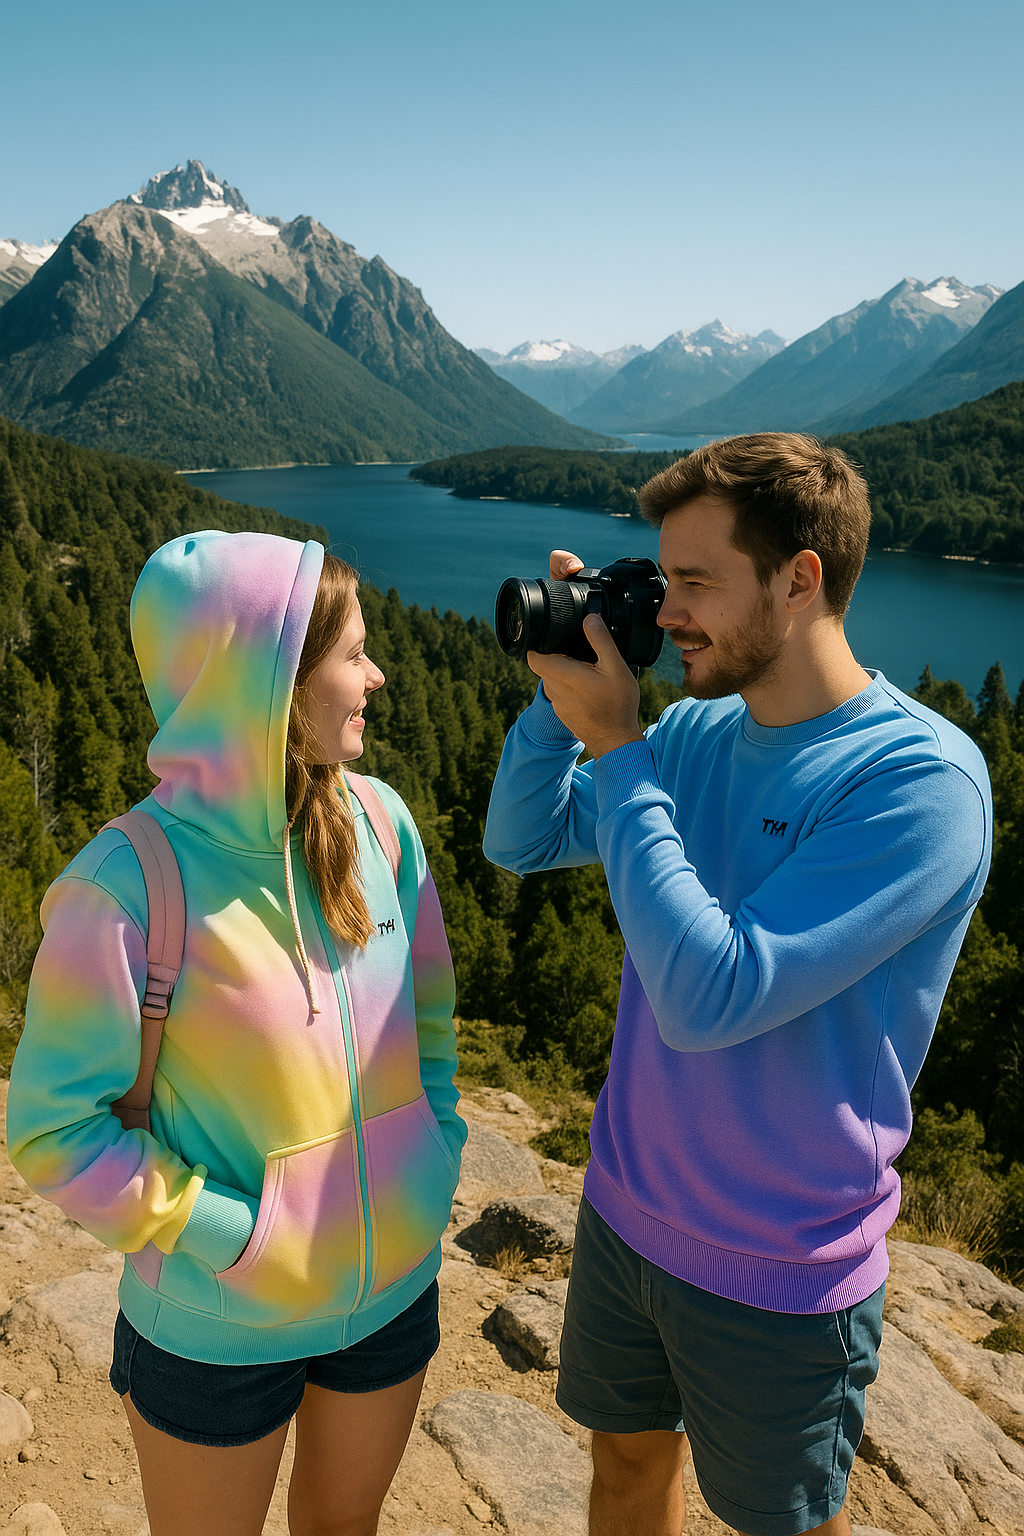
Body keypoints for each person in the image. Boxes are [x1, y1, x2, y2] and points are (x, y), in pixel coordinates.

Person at [482, 434, 992, 1536]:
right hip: (627, 1214)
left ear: (800, 579)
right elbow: (519, 840)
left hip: (780, 1264)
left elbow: (710, 995)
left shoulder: (918, 783)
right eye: (665, 584)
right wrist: (554, 696)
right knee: (622, 1470)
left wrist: (618, 753)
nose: (667, 616)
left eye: (698, 584)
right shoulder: (704, 733)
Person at [8, 532, 465, 1536]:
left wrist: (434, 1156)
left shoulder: (383, 826)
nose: (376, 676)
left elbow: (429, 1031)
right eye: (352, 654)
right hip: (216, 1330)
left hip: (392, 1300)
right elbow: (51, 1131)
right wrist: (232, 1236)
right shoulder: (122, 887)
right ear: (265, 683)